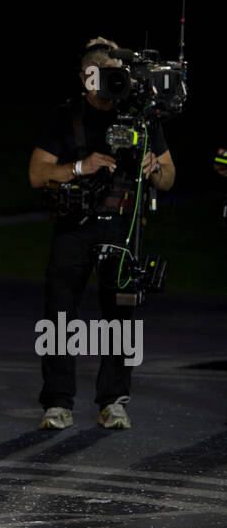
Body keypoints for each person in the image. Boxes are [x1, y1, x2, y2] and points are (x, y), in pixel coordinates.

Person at [28, 38, 175, 432]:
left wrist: (152, 168)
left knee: (120, 316)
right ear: (84, 77)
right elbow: (37, 174)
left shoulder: (141, 118)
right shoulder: (65, 117)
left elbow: (169, 176)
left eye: (115, 75)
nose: (108, 85)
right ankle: (58, 402)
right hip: (74, 226)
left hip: (122, 225)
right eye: (99, 76)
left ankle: (113, 400)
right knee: (60, 315)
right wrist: (80, 167)